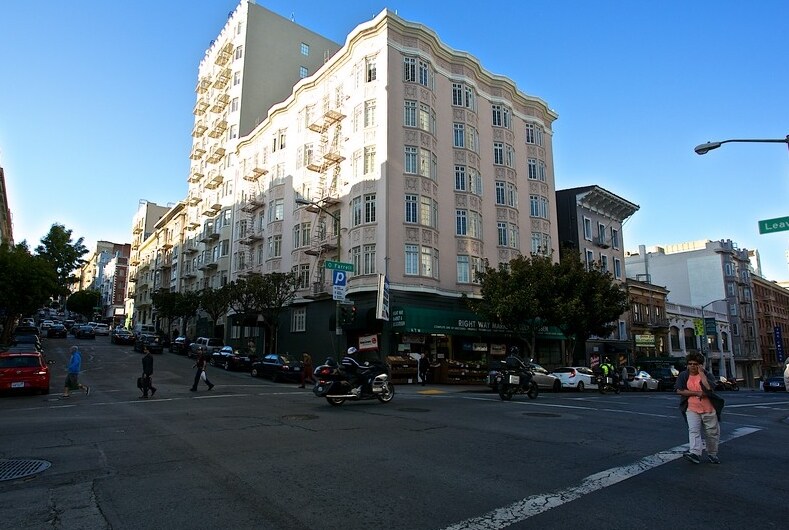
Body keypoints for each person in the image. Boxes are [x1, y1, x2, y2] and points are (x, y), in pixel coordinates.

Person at [675, 352, 724, 465]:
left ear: (700, 365)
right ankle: (695, 453)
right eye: (690, 364)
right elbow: (679, 390)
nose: (692, 366)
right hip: (691, 408)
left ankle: (712, 453)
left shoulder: (707, 375)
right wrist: (697, 393)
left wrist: (702, 375)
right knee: (693, 430)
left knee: (712, 432)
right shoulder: (683, 375)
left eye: (695, 364)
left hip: (709, 409)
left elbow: (708, 389)